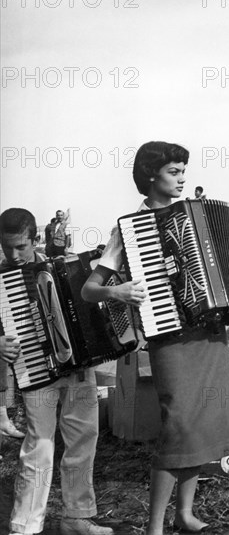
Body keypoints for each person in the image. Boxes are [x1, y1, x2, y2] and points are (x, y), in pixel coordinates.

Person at [81, 141, 229, 535]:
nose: (182, 179)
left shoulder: (199, 215)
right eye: (173, 172)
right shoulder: (130, 230)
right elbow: (89, 290)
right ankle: (154, 527)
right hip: (169, 336)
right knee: (178, 425)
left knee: (200, 425)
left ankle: (183, 515)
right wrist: (118, 291)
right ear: (150, 175)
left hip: (209, 332)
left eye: (184, 171)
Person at [0, 208, 112, 535]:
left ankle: (76, 518)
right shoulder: (1, 279)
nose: (13, 254)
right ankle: (25, 525)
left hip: (78, 368)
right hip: (36, 370)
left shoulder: (64, 266)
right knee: (40, 445)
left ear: (35, 239)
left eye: (20, 246)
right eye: (6, 247)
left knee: (83, 439)